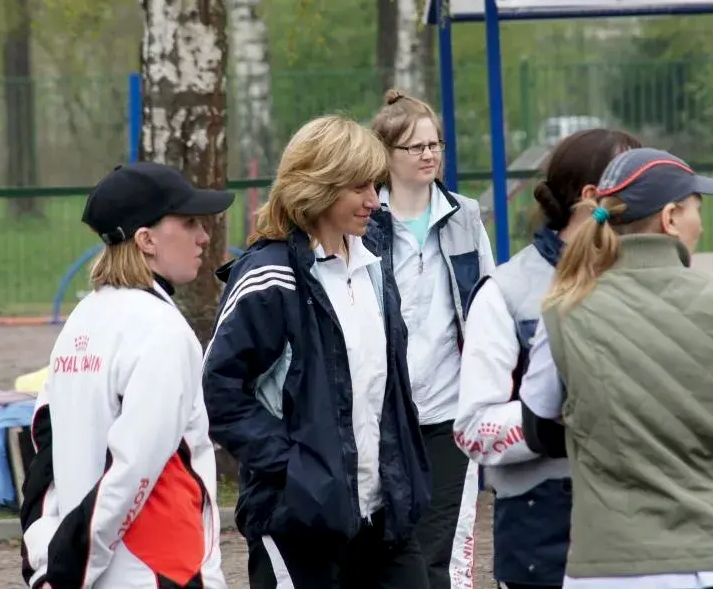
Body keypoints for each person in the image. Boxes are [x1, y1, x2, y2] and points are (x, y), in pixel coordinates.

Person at [201, 114, 431, 589]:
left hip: (384, 518)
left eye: (375, 185)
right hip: (299, 524)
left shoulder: (374, 263)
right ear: (317, 187)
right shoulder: (269, 276)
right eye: (358, 187)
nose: (374, 200)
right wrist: (297, 471)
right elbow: (219, 390)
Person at [521, 147, 713, 589]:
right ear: (670, 218)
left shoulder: (563, 310)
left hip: (613, 565)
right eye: (696, 209)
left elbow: (537, 430)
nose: (701, 224)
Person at [19, 161, 232, 589]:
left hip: (93, 569)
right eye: (189, 223)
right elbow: (133, 469)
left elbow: (43, 461)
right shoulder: (162, 330)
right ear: (146, 240)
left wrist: (48, 565)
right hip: (161, 572)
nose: (204, 237)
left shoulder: (80, 320)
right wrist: (70, 571)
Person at [454, 128, 642, 589]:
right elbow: (474, 430)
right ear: (592, 196)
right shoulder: (506, 291)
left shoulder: (651, 279)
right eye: (633, 180)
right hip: (543, 533)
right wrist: (557, 422)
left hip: (644, 525)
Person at [369, 89, 496, 589]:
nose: (428, 155)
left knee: (437, 547)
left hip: (448, 409)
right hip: (384, 413)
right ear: (386, 155)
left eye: (434, 144)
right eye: (415, 147)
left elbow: (486, 301)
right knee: (389, 546)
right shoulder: (366, 222)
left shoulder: (464, 215)